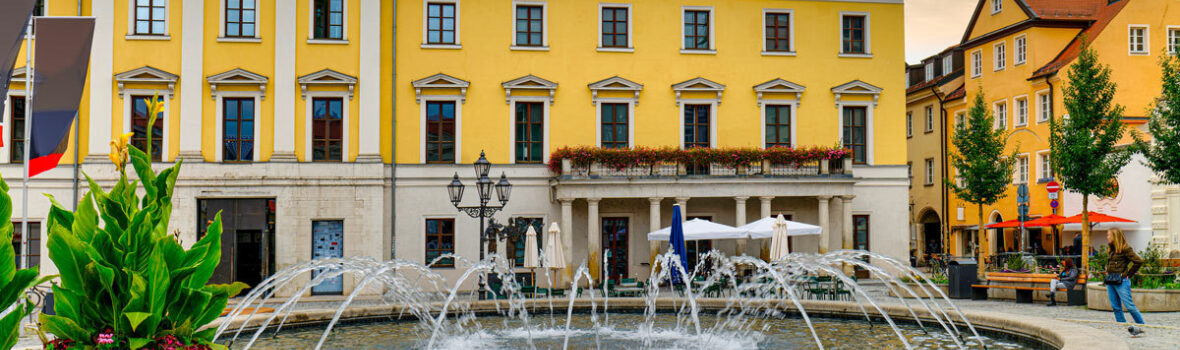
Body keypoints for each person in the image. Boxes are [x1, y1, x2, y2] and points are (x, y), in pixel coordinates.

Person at [1104, 228, 1146, 337]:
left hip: (1121, 281)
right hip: (1110, 280)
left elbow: (1138, 261)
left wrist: (1128, 274)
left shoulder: (1125, 248)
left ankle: (1142, 326)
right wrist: (1108, 268)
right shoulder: (1112, 249)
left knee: (1129, 306)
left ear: (1115, 236)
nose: (1107, 237)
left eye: (1109, 235)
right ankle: (1122, 328)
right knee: (1116, 307)